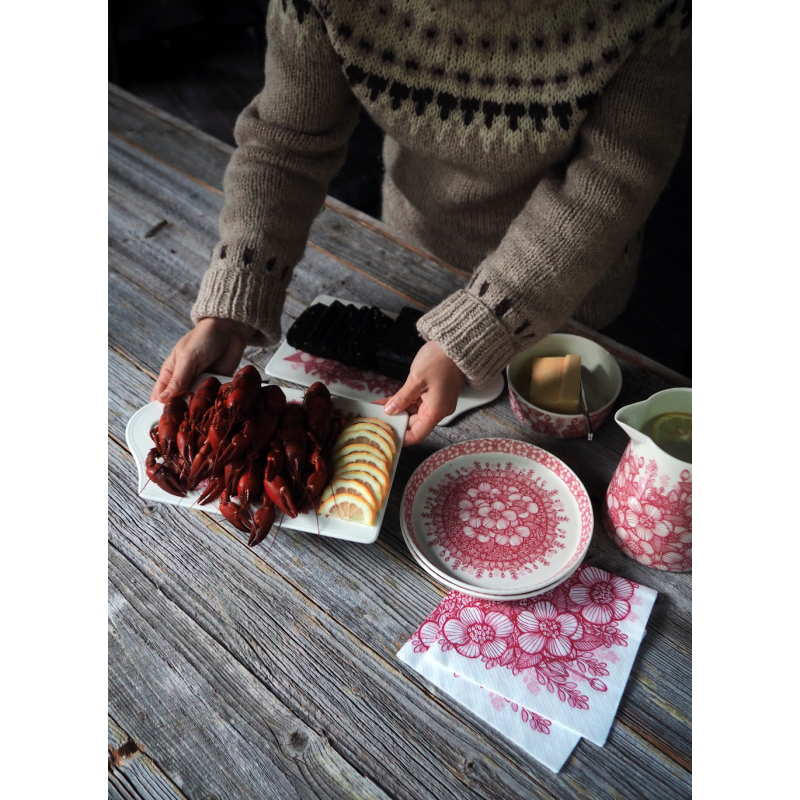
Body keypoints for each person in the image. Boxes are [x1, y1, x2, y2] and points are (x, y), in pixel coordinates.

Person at [151, 0, 691, 446]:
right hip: (413, 250)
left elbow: (611, 181)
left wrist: (484, 321)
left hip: (567, 285)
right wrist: (235, 300)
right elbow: (286, 141)